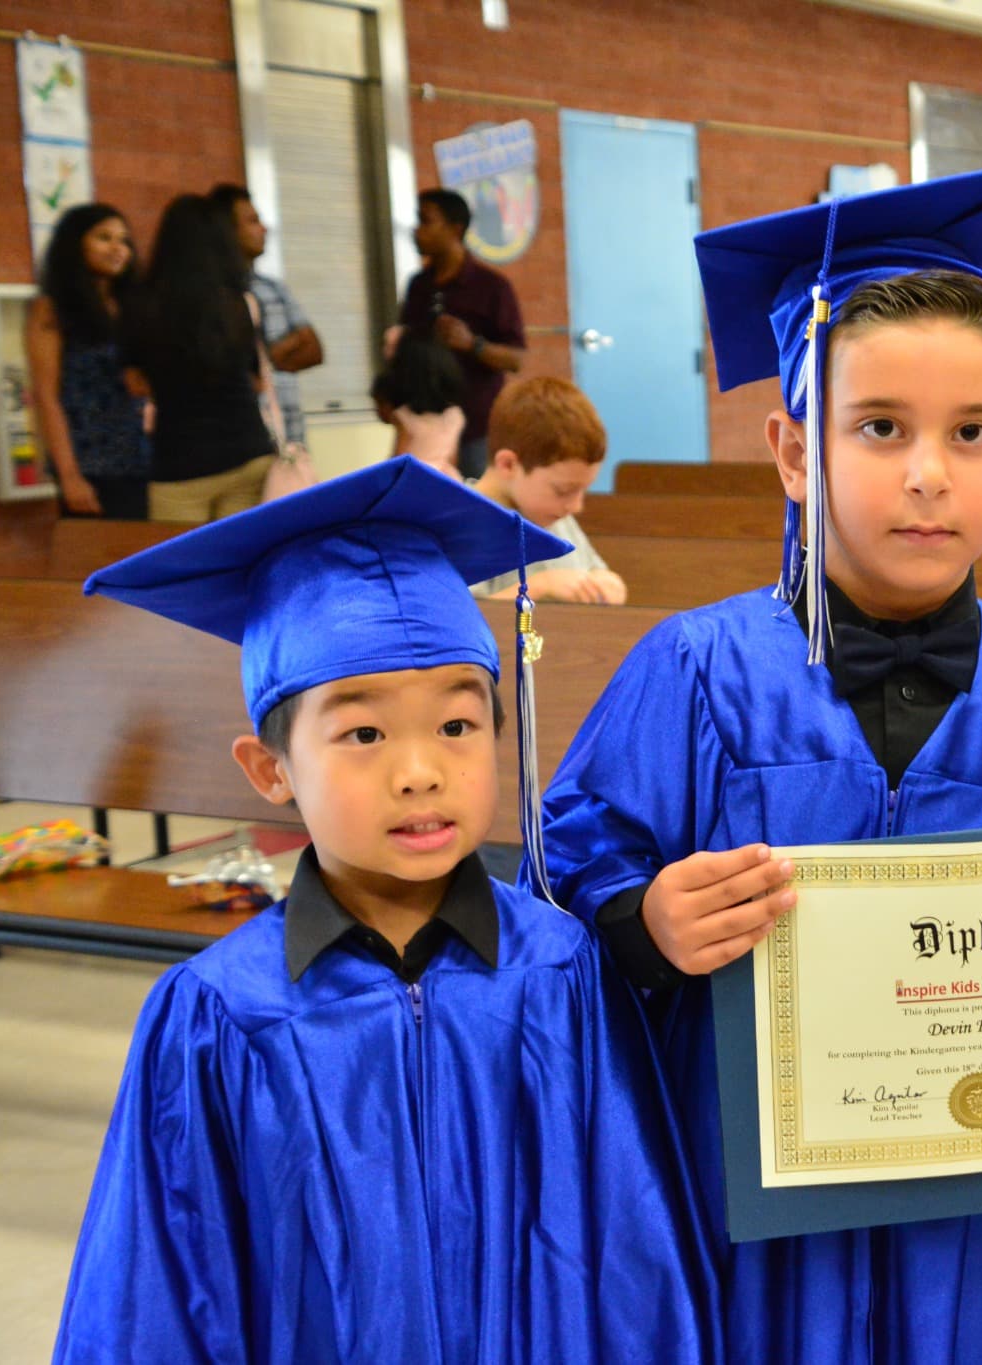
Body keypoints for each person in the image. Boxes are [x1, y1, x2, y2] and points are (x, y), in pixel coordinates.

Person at [537, 164, 982, 1365]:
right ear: (792, 451)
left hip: (971, 1218)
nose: (926, 473)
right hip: (739, 1209)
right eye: (878, 427)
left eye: (972, 433)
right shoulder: (691, 676)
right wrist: (643, 922)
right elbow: (561, 883)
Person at [58, 460, 720, 1362]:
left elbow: (635, 1266)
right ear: (270, 768)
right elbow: (156, 1299)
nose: (420, 772)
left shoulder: (562, 973)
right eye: (363, 732)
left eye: (456, 724)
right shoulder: (217, 1015)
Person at [120, 194, 276, 523]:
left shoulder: (141, 304)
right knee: (240, 553)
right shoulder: (236, 303)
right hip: (248, 452)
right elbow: (257, 381)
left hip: (181, 462)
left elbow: (135, 383)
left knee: (182, 556)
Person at [25, 204, 149, 519]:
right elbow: (46, 396)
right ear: (76, 244)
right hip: (90, 462)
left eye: (124, 240)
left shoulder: (133, 306)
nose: (117, 248)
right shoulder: (52, 309)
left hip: (145, 458)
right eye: (104, 238)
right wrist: (70, 476)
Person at [394, 188, 526, 478]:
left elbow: (517, 359)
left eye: (426, 221)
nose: (416, 230)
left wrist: (473, 344)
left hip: (477, 428)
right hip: (425, 426)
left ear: (455, 229)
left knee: (476, 499)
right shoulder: (418, 286)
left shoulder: (491, 286)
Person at [470, 375, 626, 604]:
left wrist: (607, 583)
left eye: (583, 490)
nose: (576, 506)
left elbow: (595, 570)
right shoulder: (466, 523)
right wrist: (539, 587)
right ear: (508, 465)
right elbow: (460, 618)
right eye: (563, 490)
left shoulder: (553, 514)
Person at [210, 183, 324, 447]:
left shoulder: (273, 288)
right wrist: (284, 347)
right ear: (227, 230)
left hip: (290, 439)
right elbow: (229, 369)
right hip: (241, 441)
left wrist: (261, 359)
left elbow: (313, 349)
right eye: (252, 221)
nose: (264, 229)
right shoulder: (213, 295)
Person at [372, 329, 466, 476]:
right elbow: (452, 460)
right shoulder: (456, 415)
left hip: (415, 480)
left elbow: (399, 462)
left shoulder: (405, 417)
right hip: (446, 478)